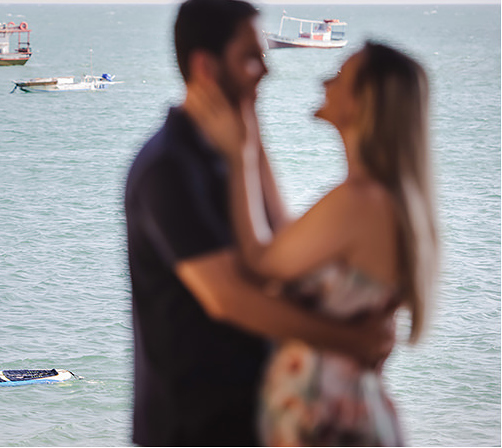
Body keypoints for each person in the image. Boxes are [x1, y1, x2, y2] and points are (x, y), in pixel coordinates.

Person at [125, 0, 395, 446]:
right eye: (251, 58)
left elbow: (280, 248)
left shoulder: (230, 152)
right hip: (194, 425)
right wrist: (351, 340)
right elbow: (227, 297)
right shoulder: (169, 167)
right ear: (207, 67)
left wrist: (250, 133)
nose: (266, 69)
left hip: (253, 413)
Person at [186, 40, 438, 445]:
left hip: (330, 424)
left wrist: (238, 159)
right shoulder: (377, 197)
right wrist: (249, 129)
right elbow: (290, 243)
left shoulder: (360, 200)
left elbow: (259, 259)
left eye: (339, 76)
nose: (325, 80)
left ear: (362, 103)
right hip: (339, 414)